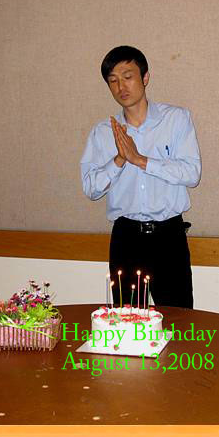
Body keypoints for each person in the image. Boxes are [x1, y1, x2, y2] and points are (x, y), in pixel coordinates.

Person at [80, 45, 201, 309]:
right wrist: (120, 159)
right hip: (126, 237)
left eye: (127, 76)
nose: (121, 86)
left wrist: (140, 160)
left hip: (168, 236)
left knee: (179, 320)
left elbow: (192, 174)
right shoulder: (102, 132)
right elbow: (91, 188)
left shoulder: (176, 119)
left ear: (145, 78)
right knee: (127, 321)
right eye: (113, 80)